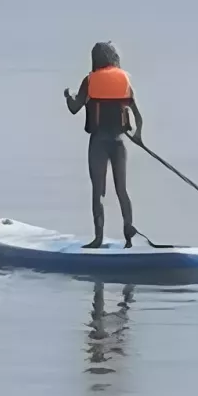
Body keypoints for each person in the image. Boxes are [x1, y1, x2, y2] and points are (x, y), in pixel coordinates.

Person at [64, 42, 144, 248]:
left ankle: (98, 239)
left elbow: (74, 108)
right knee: (122, 191)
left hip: (98, 143)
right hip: (119, 143)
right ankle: (129, 238)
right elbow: (138, 116)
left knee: (98, 191)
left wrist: (68, 96)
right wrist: (138, 135)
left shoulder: (89, 81)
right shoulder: (124, 80)